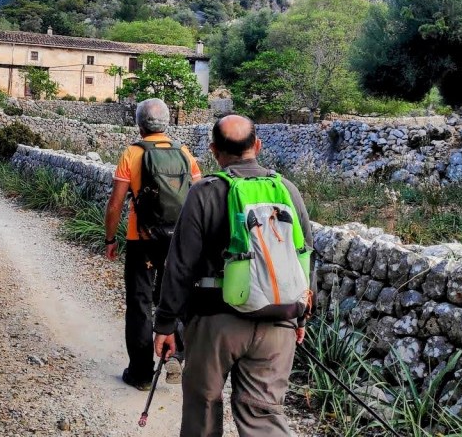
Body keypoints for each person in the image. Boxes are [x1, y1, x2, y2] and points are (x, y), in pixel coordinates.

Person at [153, 115, 315, 437]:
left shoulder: (205, 192)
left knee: (203, 407)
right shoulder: (287, 190)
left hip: (216, 322)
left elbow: (180, 265)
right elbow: (305, 256)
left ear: (214, 150)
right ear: (257, 146)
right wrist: (301, 317)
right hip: (278, 321)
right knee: (264, 415)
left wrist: (166, 324)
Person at [104, 98, 202, 391]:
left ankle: (141, 373)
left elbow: (116, 203)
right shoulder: (184, 153)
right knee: (175, 297)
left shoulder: (132, 154)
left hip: (142, 239)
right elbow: (198, 196)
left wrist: (110, 239)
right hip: (178, 242)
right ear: (167, 122)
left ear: (139, 123)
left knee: (140, 303)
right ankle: (176, 355)